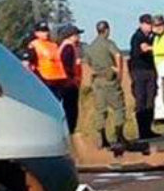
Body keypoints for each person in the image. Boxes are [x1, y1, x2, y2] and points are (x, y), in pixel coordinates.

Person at [84, 20, 127, 148]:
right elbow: (118, 55)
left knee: (100, 110)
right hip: (109, 80)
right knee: (119, 108)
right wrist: (119, 72)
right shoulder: (108, 43)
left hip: (97, 81)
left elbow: (87, 63)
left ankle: (102, 138)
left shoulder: (90, 46)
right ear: (107, 30)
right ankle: (119, 136)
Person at [129, 13, 158, 139]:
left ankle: (148, 129)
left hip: (150, 70)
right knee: (141, 100)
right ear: (141, 24)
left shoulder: (152, 36)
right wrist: (157, 47)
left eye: (150, 24)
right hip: (139, 71)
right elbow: (144, 48)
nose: (149, 26)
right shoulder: (138, 36)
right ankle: (142, 131)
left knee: (150, 101)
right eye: (147, 24)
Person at [57, 24, 84, 133]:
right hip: (69, 84)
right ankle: (70, 130)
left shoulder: (65, 46)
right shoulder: (68, 47)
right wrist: (73, 78)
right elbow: (66, 65)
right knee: (71, 108)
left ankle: (69, 129)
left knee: (69, 107)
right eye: (77, 34)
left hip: (66, 82)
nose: (79, 37)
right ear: (70, 36)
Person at [26, 22, 66, 96]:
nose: (46, 33)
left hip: (59, 78)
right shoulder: (34, 44)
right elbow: (30, 61)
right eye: (42, 31)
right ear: (36, 33)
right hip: (45, 78)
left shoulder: (53, 45)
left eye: (46, 30)